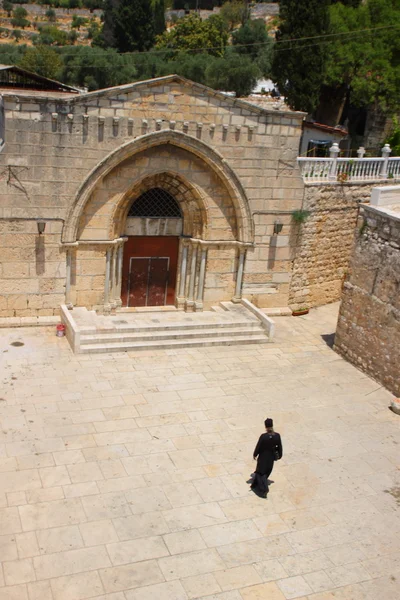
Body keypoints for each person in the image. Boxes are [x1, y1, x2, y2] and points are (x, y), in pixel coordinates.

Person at [251, 418, 282, 497]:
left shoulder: (263, 437)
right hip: (271, 457)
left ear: (265, 426)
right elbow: (279, 446)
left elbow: (259, 446)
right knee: (267, 470)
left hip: (263, 457)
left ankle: (263, 488)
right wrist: (280, 455)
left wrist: (255, 454)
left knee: (261, 471)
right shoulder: (277, 436)